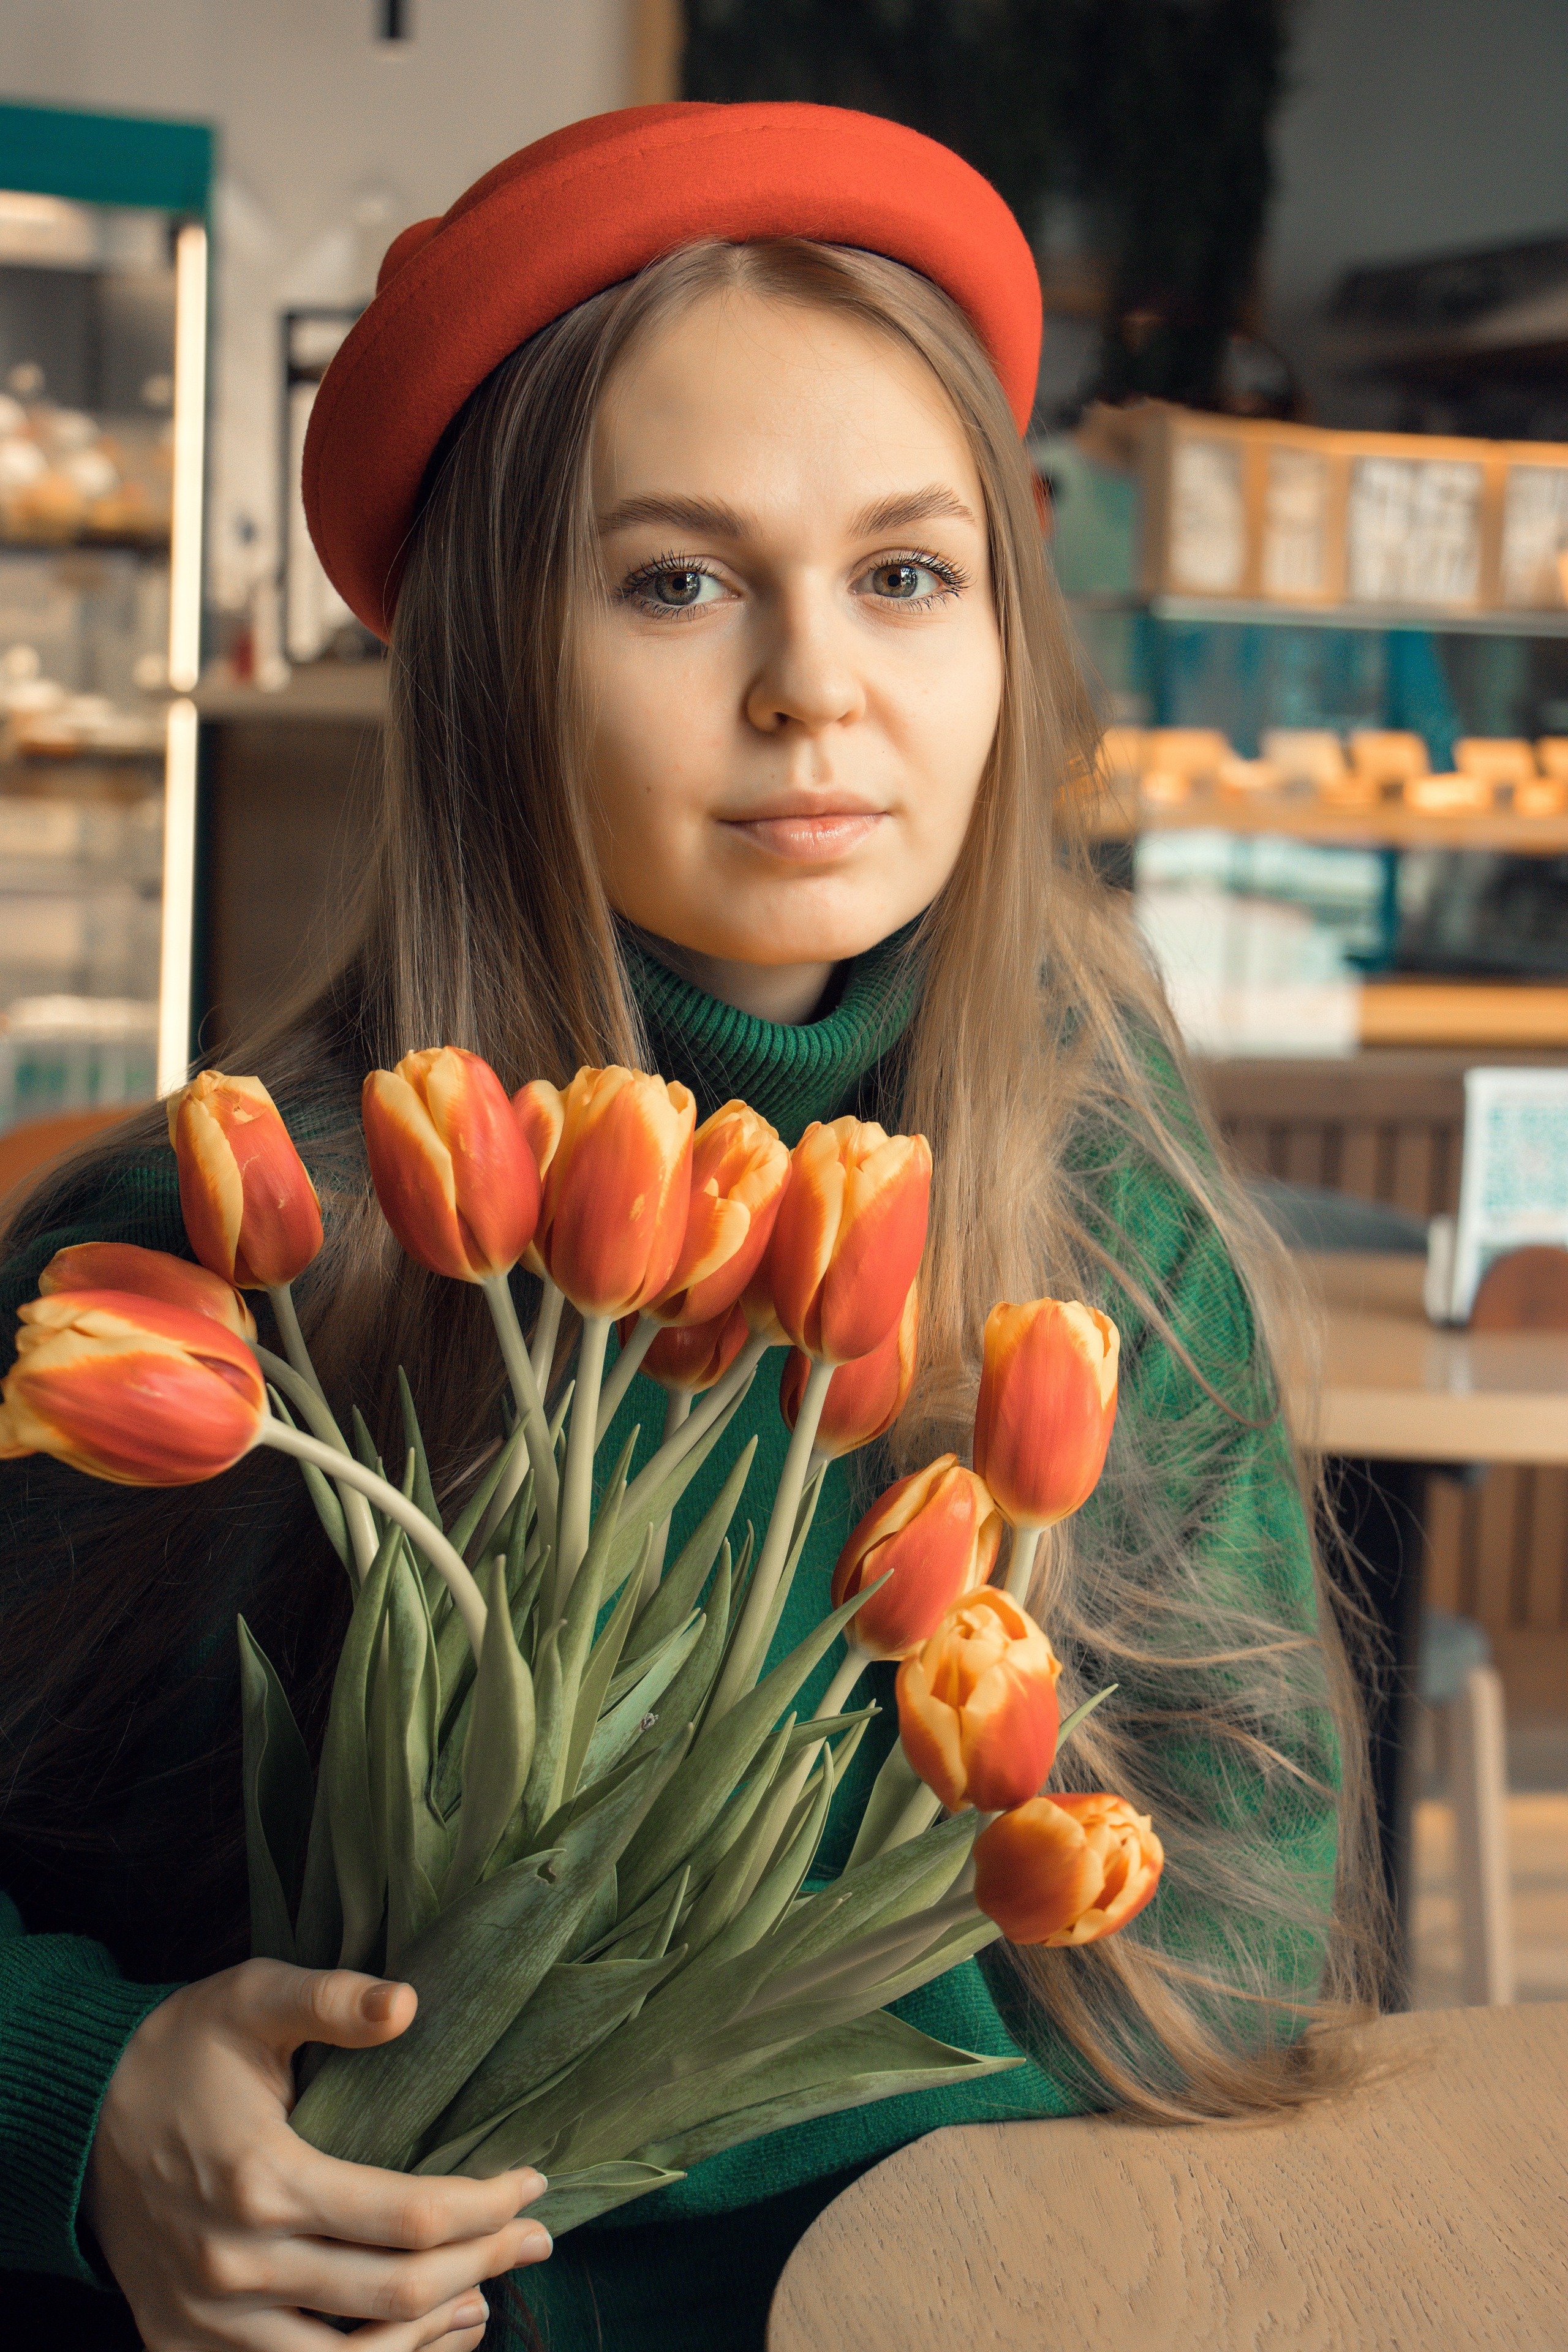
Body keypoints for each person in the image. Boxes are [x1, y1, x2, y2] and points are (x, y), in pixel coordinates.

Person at [0, 102, 1375, 2352]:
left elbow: (1235, 1904)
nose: (815, 684)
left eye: (907, 575)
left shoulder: (1109, 1242)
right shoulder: (241, 1248)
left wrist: (613, 2137)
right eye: (677, 579)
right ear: (487, 662)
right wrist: (91, 2112)